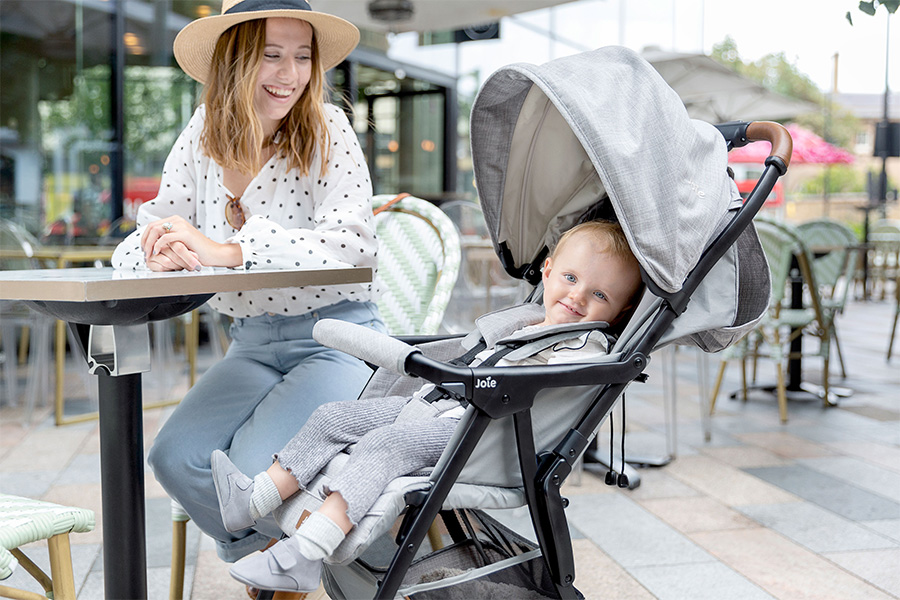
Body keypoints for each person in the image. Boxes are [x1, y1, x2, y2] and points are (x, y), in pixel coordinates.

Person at [210, 220, 644, 592]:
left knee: (385, 445)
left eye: (600, 295)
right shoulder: (525, 323)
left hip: (478, 433)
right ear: (546, 272)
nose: (578, 297)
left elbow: (556, 382)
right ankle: (254, 500)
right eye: (570, 277)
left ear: (620, 313)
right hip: (435, 406)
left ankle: (305, 554)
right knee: (332, 417)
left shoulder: (586, 347)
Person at [110, 0, 386, 562]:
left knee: (250, 472)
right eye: (272, 55)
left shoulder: (328, 128)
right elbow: (145, 232)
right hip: (251, 341)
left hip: (337, 339)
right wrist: (156, 255)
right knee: (173, 458)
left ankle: (282, 568)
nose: (290, 74)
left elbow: (355, 246)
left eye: (303, 57)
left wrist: (229, 251)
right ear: (236, 61)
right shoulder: (201, 134)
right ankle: (286, 560)